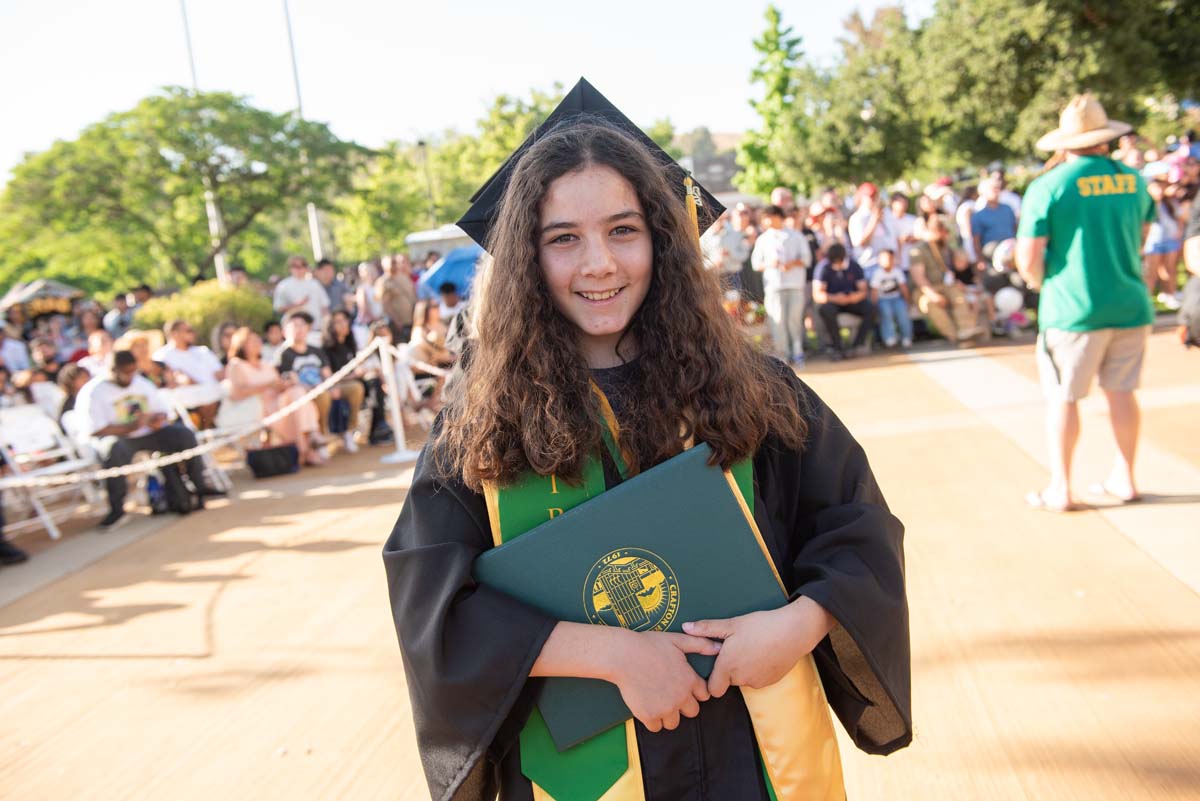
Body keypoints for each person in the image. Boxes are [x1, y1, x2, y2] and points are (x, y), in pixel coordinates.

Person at [382, 105, 909, 801]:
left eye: (623, 230)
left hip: (749, 746)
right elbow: (436, 604)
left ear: (663, 239)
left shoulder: (753, 390)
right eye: (563, 238)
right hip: (589, 762)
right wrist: (612, 654)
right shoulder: (485, 423)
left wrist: (798, 623)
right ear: (525, 257)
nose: (599, 263)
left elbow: (856, 527)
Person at [1016, 94, 1155, 512]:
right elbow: (1143, 235)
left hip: (1073, 309)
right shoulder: (1134, 179)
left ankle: (1061, 487)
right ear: (1104, 139)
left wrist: (1043, 283)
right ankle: (1126, 478)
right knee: (1122, 393)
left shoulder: (1049, 185)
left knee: (1063, 397)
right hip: (1130, 303)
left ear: (1064, 142)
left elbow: (1028, 258)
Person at [76, 350, 223, 530]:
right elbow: (95, 430)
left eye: (133, 372)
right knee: (112, 449)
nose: (130, 377)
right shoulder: (94, 392)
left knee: (183, 434)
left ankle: (198, 485)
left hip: (149, 433)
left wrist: (157, 420)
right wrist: (130, 427)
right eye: (125, 373)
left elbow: (162, 411)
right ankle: (116, 509)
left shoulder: (142, 383)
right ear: (113, 371)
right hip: (120, 439)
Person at [225, 327, 325, 466]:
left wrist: (286, 384)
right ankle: (309, 442)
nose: (257, 344)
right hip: (257, 407)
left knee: (296, 391)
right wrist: (267, 385)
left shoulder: (266, 364)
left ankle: (306, 446)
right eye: (252, 341)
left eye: (258, 340)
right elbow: (238, 393)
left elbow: (277, 384)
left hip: (278, 402)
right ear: (242, 345)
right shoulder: (236, 365)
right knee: (296, 400)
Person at [751, 204, 812, 366]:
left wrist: (792, 263)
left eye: (771, 217)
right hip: (774, 286)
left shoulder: (796, 236)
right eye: (766, 218)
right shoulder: (763, 239)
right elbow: (756, 264)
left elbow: (807, 259)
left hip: (794, 284)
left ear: (779, 217)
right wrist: (770, 263)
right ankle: (782, 355)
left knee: (794, 320)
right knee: (777, 320)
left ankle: (798, 351)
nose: (768, 221)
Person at [909, 215, 985, 343]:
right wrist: (933, 295)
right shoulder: (918, 250)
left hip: (946, 285)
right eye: (946, 231)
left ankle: (966, 330)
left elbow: (959, 266)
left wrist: (954, 250)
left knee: (959, 297)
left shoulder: (946, 248)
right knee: (931, 304)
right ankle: (955, 336)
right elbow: (919, 277)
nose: (948, 234)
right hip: (925, 289)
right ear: (938, 231)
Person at [153, 320, 225, 429]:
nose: (193, 333)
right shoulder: (162, 355)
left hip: (213, 392)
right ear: (174, 334)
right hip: (184, 396)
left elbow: (219, 373)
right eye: (188, 331)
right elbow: (166, 379)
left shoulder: (202, 351)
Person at [812, 242, 874, 360]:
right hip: (833, 301)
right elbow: (817, 294)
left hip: (852, 300)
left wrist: (853, 297)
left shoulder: (854, 266)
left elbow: (863, 290)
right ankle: (837, 347)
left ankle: (857, 345)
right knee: (824, 309)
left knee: (871, 309)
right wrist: (835, 298)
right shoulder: (823, 267)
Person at [321, 310, 368, 453]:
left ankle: (356, 429)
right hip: (333, 386)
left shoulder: (349, 344)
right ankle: (336, 434)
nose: (343, 325)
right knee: (356, 387)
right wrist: (352, 376)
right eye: (338, 322)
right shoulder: (325, 348)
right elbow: (329, 376)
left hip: (351, 381)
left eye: (345, 321)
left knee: (369, 384)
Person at [273, 256, 330, 345]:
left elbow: (324, 306)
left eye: (302, 265)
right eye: (295, 266)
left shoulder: (315, 284)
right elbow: (278, 307)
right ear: (290, 268)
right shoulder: (283, 286)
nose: (299, 269)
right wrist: (296, 305)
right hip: (295, 334)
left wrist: (326, 326)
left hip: (316, 329)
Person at [848, 182, 899, 281]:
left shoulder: (885, 214)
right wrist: (874, 221)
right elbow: (860, 243)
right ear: (862, 197)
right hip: (869, 265)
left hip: (888, 264)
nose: (873, 199)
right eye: (870, 196)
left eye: (875, 196)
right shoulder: (857, 218)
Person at [971, 177, 1018, 268]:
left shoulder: (1008, 209)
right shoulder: (978, 216)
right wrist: (980, 260)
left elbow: (1015, 228)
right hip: (992, 255)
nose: (997, 191)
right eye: (993, 189)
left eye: (998, 188)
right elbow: (976, 240)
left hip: (1012, 251)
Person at [870, 249, 913, 348]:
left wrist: (907, 301)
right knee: (886, 314)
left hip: (897, 298)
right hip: (883, 300)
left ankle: (906, 337)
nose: (887, 261)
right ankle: (889, 338)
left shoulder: (897, 272)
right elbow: (874, 291)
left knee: (903, 315)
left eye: (889, 259)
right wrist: (874, 305)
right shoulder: (877, 273)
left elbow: (903, 287)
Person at [700, 210, 750, 294]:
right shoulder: (703, 238)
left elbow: (744, 255)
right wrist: (713, 263)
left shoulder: (735, 234)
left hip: (732, 276)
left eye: (723, 219)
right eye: (718, 219)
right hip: (712, 277)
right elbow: (699, 259)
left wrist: (730, 254)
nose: (721, 222)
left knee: (733, 305)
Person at [375, 254, 417, 343]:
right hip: (397, 323)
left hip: (411, 318)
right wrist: (396, 320)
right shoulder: (383, 282)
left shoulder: (404, 277)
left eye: (394, 262)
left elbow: (412, 294)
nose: (393, 265)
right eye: (391, 263)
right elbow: (385, 304)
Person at [888, 193, 918, 274]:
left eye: (905, 202)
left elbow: (918, 236)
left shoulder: (912, 219)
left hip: (911, 261)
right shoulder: (886, 220)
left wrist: (910, 238)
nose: (903, 205)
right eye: (900, 202)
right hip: (894, 264)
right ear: (892, 203)